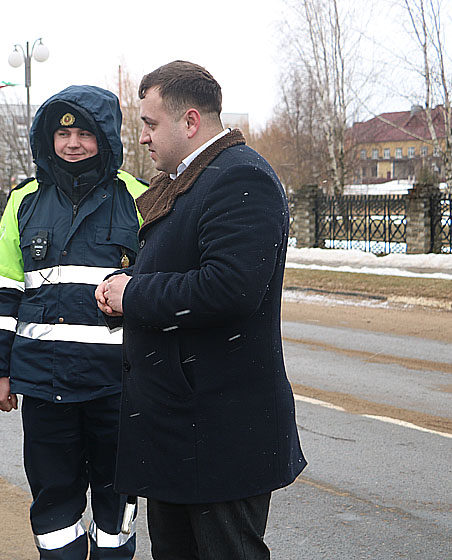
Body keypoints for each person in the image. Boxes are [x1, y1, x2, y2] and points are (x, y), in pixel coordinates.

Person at [96, 61, 307, 559]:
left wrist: (134, 295)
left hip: (220, 433)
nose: (142, 138)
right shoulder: (191, 180)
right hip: (181, 427)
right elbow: (179, 273)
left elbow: (230, 288)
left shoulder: (240, 178)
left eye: (150, 124)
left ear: (190, 122)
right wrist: (123, 296)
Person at [0, 85, 148, 560]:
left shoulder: (138, 198)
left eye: (85, 133)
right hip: (44, 384)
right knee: (54, 500)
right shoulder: (25, 201)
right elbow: (4, 289)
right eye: (62, 132)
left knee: (117, 501)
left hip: (116, 386)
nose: (72, 143)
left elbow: (156, 284)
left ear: (106, 137)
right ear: (47, 138)